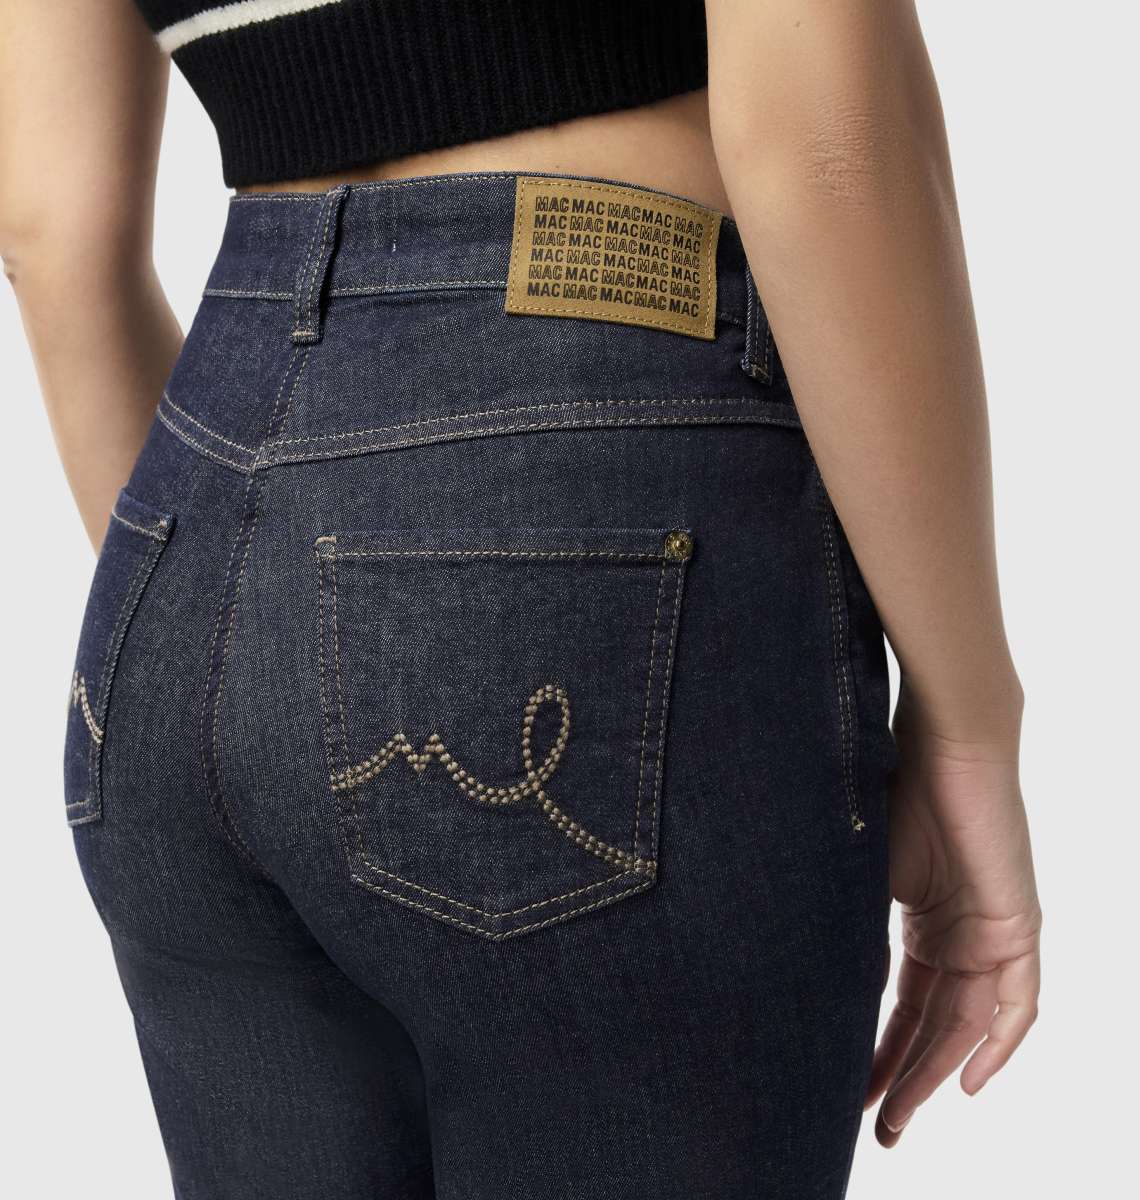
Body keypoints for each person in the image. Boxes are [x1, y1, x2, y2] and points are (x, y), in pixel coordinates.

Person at [0, 1, 1041, 1196]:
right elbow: (826, 148)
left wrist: (257, 643)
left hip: (184, 545)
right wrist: (968, 719)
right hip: (590, 454)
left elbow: (50, 230)